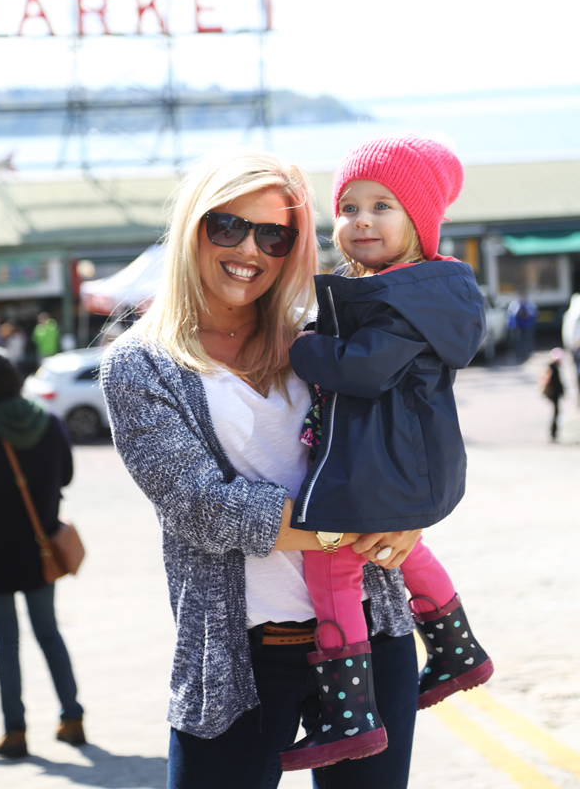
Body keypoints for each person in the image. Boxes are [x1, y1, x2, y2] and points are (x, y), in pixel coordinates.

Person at [101, 149, 421, 789]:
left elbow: (402, 438)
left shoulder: (321, 337)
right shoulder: (140, 365)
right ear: (194, 226)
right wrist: (350, 528)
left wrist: (410, 518)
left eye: (274, 235)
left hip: (369, 630)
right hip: (240, 658)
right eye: (228, 226)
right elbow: (203, 507)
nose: (250, 248)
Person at [283, 135, 493, 770]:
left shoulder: (402, 297)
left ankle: (349, 715)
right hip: (395, 460)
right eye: (348, 207)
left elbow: (364, 370)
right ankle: (456, 649)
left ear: (419, 224)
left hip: (380, 463)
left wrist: (302, 347)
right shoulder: (416, 291)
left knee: (332, 565)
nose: (361, 221)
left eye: (383, 206)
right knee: (402, 550)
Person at [0, 347, 84, 758]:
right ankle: (72, 717)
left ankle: (15, 732)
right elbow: (65, 475)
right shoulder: (48, 423)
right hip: (39, 546)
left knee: (5, 641)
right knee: (49, 632)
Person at [541, 347, 565, 441]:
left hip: (553, 395)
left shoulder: (552, 367)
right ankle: (553, 432)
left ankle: (553, 432)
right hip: (554, 395)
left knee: (555, 413)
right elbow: (557, 383)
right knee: (555, 413)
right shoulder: (553, 369)